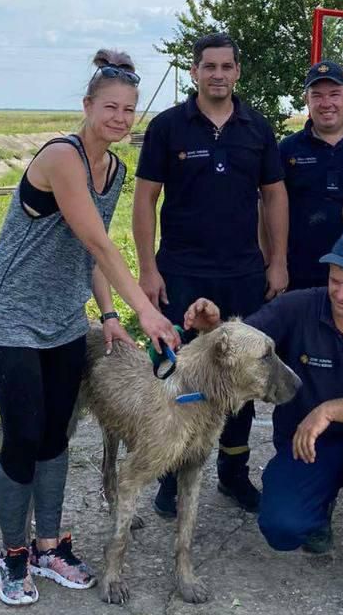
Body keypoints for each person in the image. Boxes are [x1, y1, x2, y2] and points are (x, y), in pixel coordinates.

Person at [0, 49, 179, 606]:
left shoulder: (114, 169)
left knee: (56, 436)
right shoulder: (62, 157)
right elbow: (98, 241)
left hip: (65, 321)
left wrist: (110, 314)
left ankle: (49, 545)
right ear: (87, 106)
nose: (119, 117)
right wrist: (147, 311)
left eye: (129, 110)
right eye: (109, 106)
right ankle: (12, 553)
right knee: (22, 437)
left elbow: (88, 258)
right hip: (10, 318)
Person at [183, 230, 343, 612]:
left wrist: (328, 410)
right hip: (311, 447)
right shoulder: (300, 306)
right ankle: (319, 505)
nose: (340, 294)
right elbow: (245, 339)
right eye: (335, 282)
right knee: (281, 529)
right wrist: (215, 327)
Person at [132, 31, 289, 516]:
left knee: (238, 376)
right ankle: (168, 474)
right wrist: (147, 268)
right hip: (179, 272)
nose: (218, 74)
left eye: (226, 66)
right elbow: (145, 199)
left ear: (238, 71)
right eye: (209, 66)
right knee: (174, 372)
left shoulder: (257, 128)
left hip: (242, 273)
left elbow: (275, 196)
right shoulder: (167, 128)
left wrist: (278, 259)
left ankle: (233, 474)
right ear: (195, 71)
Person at [277, 60, 343, 290]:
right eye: (317, 95)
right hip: (301, 272)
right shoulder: (286, 150)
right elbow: (269, 207)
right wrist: (273, 262)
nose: (326, 103)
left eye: (334, 94)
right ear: (306, 99)